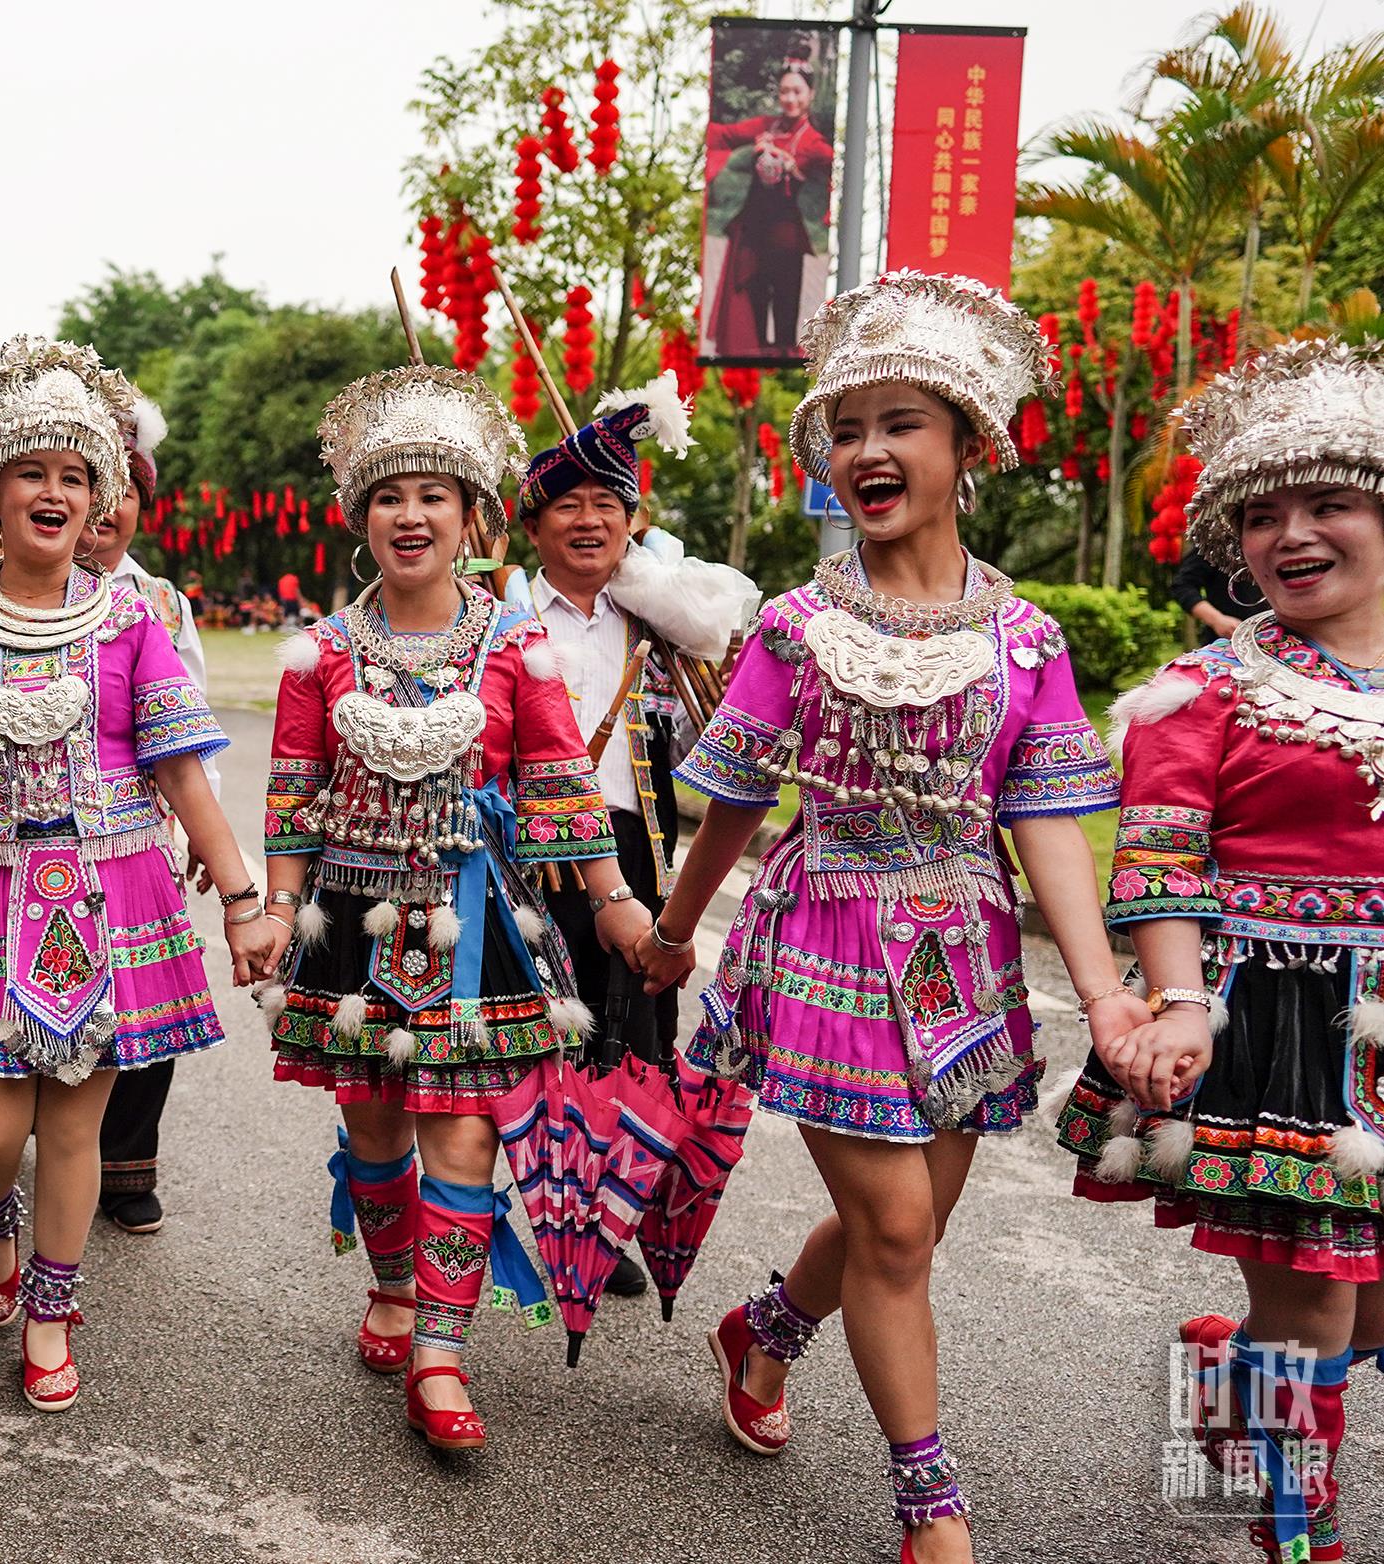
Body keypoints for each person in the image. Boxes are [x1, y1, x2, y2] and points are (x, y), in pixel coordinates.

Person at [631, 273, 1138, 1563]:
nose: (866, 450)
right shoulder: (797, 630)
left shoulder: (1025, 637)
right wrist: (675, 932)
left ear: (966, 445)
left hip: (964, 957)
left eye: (899, 422)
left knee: (895, 1228)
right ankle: (931, 1509)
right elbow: (735, 801)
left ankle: (764, 1330)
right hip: (825, 942)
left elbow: (1045, 826)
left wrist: (1099, 991)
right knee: (899, 1230)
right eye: (846, 427)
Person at [0, 335, 270, 1412]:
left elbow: (180, 771)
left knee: (72, 1125)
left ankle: (52, 1303)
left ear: (99, 498)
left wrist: (238, 897)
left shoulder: (132, 619)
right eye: (32, 471)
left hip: (108, 894)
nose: (54, 491)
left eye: (74, 475)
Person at [254, 363, 651, 1450]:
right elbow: (294, 792)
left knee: (463, 1136)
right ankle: (388, 1287)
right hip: (353, 924)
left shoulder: (513, 644)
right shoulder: (321, 653)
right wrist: (277, 908)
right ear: (361, 518)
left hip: (476, 927)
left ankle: (440, 1349)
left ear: (470, 518)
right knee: (373, 1125)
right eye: (388, 495)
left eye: (432, 494)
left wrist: (614, 902)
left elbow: (561, 783)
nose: (409, 514)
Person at [1056, 339, 1384, 1564]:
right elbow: (1153, 858)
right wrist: (1178, 1001)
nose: (1288, 535)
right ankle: (1291, 1534)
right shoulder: (1199, 688)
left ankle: (1223, 1380)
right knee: (1313, 1299)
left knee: (1360, 1303)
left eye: (1326, 504)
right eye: (1259, 516)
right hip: (1278, 1029)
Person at [519, 372, 758, 1102]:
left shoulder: (661, 629)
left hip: (634, 854)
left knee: (628, 1055)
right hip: (523, 853)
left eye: (604, 504)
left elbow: (698, 750)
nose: (587, 520)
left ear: (632, 522)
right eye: (566, 505)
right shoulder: (503, 618)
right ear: (532, 527)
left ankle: (609, 1202)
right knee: (520, 1045)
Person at [87, 394, 217, 1237]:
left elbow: (191, 717)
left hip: (141, 832)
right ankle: (41, 1141)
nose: (102, 509)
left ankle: (125, 1162)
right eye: (85, 483)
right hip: (27, 836)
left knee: (147, 991)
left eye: (120, 489)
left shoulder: (163, 602)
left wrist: (203, 832)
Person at [703, 63, 833, 358]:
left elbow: (831, 169)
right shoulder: (766, 127)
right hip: (754, 234)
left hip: (786, 236)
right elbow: (721, 135)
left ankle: (783, 364)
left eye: (797, 92)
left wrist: (793, 166)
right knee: (754, 305)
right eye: (784, 91)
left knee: (785, 310)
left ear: (810, 94)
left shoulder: (813, 141)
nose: (790, 98)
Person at [1171, 549, 1258, 644]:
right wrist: (1216, 619)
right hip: (1226, 643)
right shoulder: (1216, 542)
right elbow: (1182, 586)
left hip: (1270, 641)